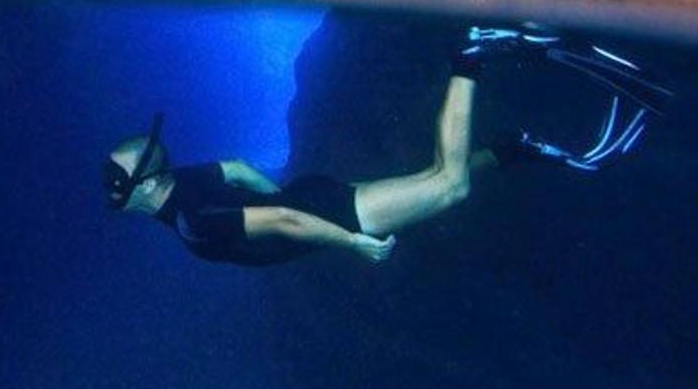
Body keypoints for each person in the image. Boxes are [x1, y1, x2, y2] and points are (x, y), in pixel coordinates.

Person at [103, 26, 673, 268]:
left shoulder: (192, 224)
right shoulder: (185, 181)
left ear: (148, 186)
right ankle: (511, 148)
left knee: (449, 186)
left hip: (326, 213)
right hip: (313, 194)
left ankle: (470, 56)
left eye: (119, 176)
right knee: (431, 176)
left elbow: (282, 221)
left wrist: (353, 243)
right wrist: (284, 195)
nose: (110, 184)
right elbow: (237, 169)